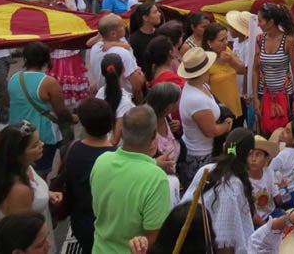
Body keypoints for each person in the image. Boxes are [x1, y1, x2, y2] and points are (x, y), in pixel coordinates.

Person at [90, 105, 171, 254]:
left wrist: (152, 164)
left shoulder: (101, 160)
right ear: (154, 135)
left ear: (121, 132)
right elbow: (153, 237)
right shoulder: (156, 179)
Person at [181, 129, 256, 254]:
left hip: (190, 240)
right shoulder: (233, 184)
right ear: (250, 153)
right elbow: (224, 240)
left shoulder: (206, 168)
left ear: (224, 146)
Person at [8, 41, 75, 179]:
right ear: (46, 59)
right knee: (40, 175)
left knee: (22, 171)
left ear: (25, 58)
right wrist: (74, 118)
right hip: (41, 135)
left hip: (17, 134)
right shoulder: (49, 82)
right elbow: (61, 111)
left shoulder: (14, 78)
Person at [58, 98, 117, 254]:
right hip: (109, 224)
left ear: (83, 125)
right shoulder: (118, 157)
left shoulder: (70, 150)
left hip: (81, 221)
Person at [0, 122, 60, 252]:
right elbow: (22, 234)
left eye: (39, 141)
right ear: (18, 154)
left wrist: (48, 194)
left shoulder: (25, 167)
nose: (42, 145)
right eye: (35, 145)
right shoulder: (18, 190)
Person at [178, 47, 234, 185]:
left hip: (204, 150)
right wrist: (227, 126)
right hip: (200, 156)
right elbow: (210, 131)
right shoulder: (196, 99)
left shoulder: (200, 86)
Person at [252, 3, 294, 135]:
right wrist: (255, 98)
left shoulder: (288, 40)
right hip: (264, 95)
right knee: (265, 132)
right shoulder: (259, 40)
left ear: (271, 22)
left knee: (284, 134)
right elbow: (255, 70)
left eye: (260, 21)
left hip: (285, 96)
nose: (258, 24)